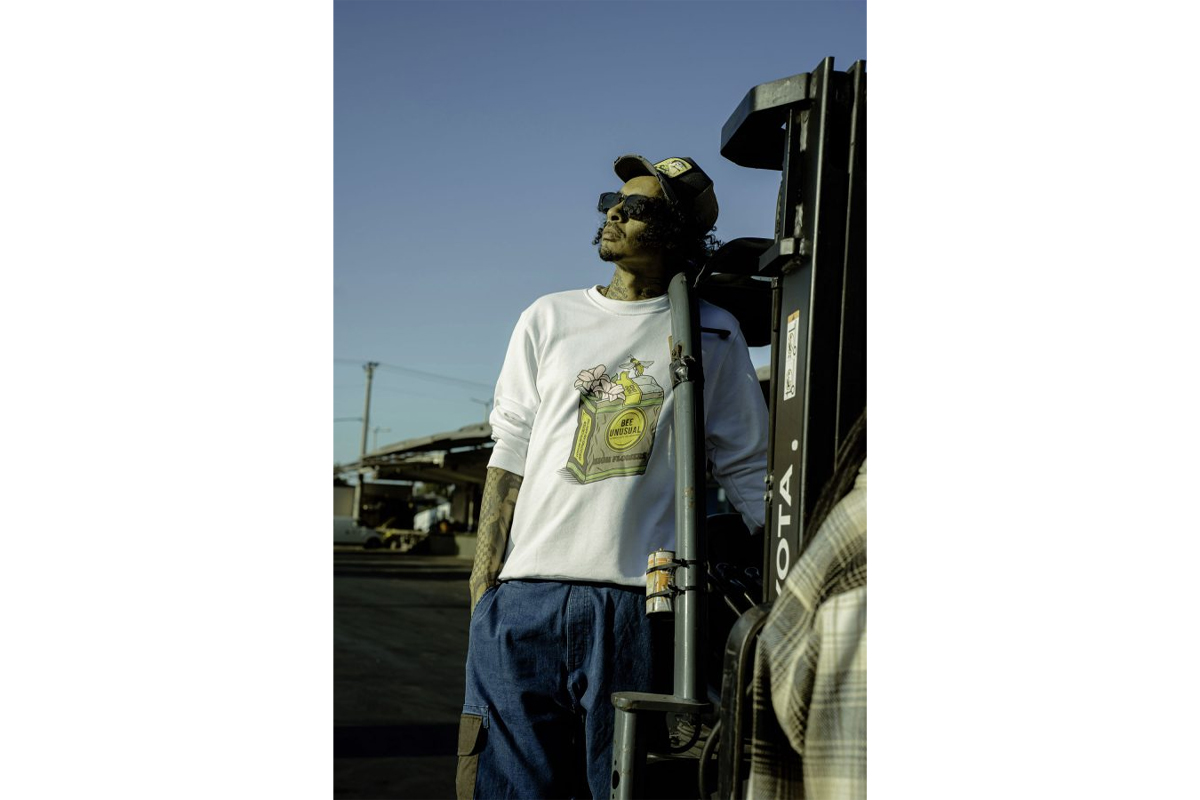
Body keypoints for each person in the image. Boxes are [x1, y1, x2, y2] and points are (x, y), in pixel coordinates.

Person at [457, 154, 769, 799]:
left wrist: (798, 578)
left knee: (623, 784)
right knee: (508, 786)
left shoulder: (712, 331)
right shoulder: (549, 317)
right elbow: (511, 447)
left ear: (679, 234)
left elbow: (746, 463)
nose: (615, 213)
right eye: (612, 200)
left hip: (636, 604)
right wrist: (485, 580)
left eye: (639, 207)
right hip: (525, 597)